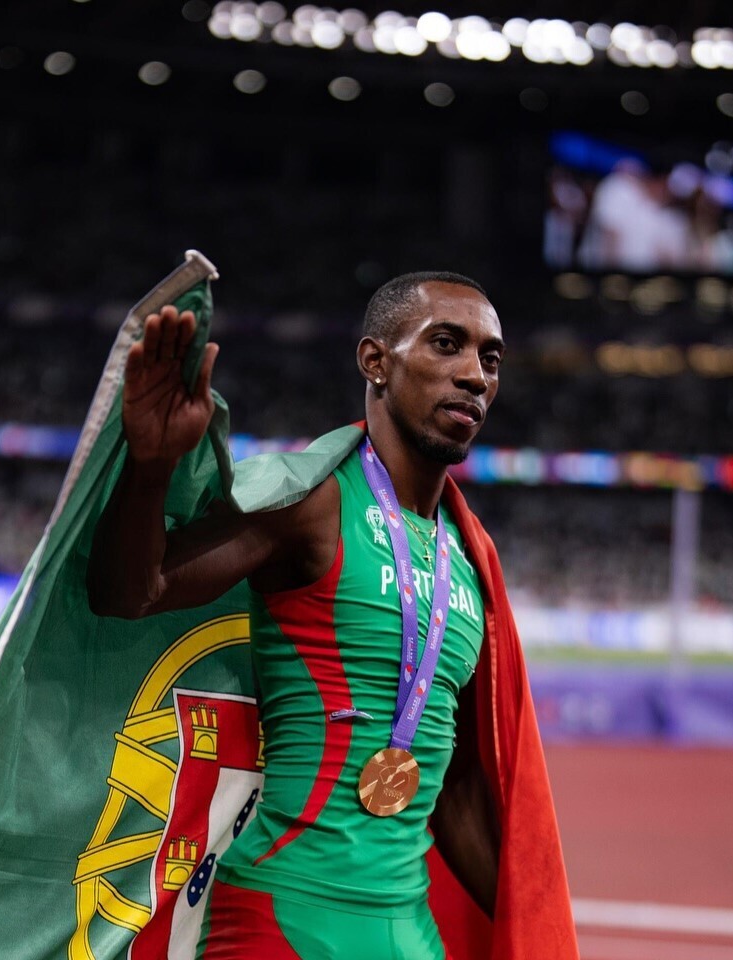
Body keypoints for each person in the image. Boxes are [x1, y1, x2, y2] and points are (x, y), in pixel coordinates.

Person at [88, 272, 573, 959]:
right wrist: (152, 465)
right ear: (375, 361)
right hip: (283, 912)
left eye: (490, 360)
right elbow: (129, 591)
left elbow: (457, 787)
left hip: (408, 928)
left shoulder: (468, 558)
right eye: (446, 345)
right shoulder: (310, 505)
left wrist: (539, 933)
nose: (474, 376)